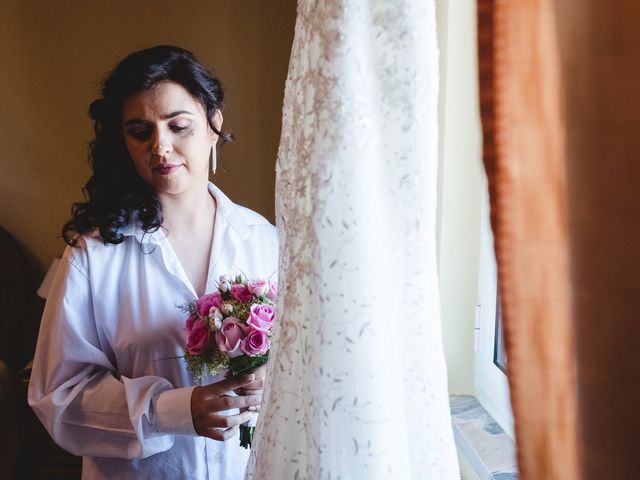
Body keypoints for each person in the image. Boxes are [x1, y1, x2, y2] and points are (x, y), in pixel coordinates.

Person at [28, 45, 278, 480]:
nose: (160, 147)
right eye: (140, 131)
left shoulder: (264, 241)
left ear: (214, 123)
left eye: (178, 126)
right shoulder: (94, 257)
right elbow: (57, 397)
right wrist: (175, 410)